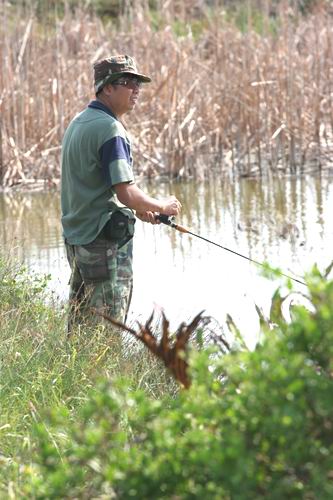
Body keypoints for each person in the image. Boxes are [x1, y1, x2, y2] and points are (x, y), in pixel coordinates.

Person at [61, 54, 182, 332]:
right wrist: (162, 205)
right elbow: (125, 192)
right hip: (103, 245)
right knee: (107, 333)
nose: (135, 89)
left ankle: (77, 376)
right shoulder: (110, 130)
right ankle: (101, 377)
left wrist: (140, 209)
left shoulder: (79, 123)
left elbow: (98, 187)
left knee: (80, 329)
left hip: (78, 242)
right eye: (127, 82)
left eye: (137, 83)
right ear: (107, 88)